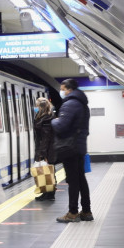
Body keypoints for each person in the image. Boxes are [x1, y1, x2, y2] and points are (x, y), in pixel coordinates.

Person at [52, 79, 93, 222]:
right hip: (79, 147)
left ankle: (73, 212)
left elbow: (61, 126)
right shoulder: (82, 104)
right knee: (81, 180)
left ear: (68, 89)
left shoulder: (70, 104)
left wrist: (53, 120)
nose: (61, 91)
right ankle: (86, 211)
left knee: (73, 181)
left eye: (62, 89)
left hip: (70, 147)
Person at [33, 97, 57, 202]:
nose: (35, 108)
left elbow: (45, 138)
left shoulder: (46, 119)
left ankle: (50, 193)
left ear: (41, 107)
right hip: (46, 148)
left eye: (37, 106)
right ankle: (46, 192)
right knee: (46, 171)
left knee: (48, 171)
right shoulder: (46, 117)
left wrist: (43, 154)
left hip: (47, 149)